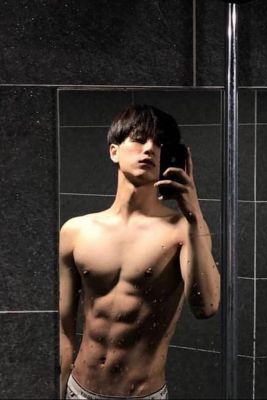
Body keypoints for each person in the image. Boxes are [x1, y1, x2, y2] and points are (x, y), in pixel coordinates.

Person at [59, 104, 221, 399]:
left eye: (159, 143)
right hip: (78, 390)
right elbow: (64, 326)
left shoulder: (183, 230)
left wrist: (194, 213)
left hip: (144, 394)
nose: (149, 149)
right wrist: (60, 387)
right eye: (139, 139)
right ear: (114, 151)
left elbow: (207, 307)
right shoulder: (76, 231)